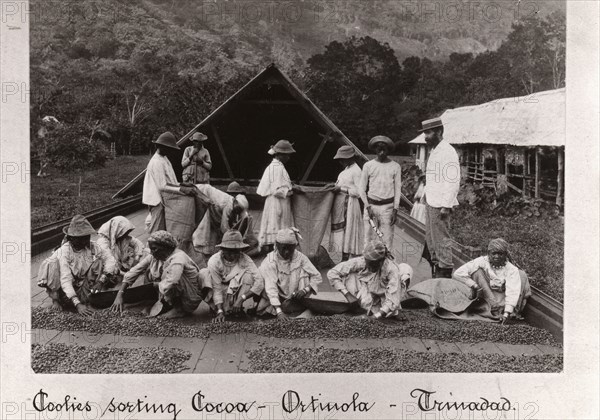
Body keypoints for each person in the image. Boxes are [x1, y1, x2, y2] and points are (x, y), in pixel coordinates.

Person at [110, 231, 206, 319]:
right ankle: (164, 303)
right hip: (169, 292)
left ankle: (180, 309)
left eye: (154, 249)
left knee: (170, 274)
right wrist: (120, 294)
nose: (151, 252)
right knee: (149, 272)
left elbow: (172, 280)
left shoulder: (178, 258)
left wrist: (156, 286)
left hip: (189, 297)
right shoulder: (156, 256)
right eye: (151, 249)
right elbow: (135, 271)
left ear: (165, 246)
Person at [37, 215, 116, 316]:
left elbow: (110, 260)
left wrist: (101, 281)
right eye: (82, 238)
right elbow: (65, 279)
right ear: (72, 238)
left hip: (82, 284)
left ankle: (88, 295)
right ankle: (55, 300)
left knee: (99, 262)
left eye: (87, 237)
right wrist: (77, 304)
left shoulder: (92, 247)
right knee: (52, 263)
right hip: (64, 288)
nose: (86, 241)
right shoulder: (64, 252)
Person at [452, 238, 531, 324]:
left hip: (503, 300)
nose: (496, 257)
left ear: (505, 255)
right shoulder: (482, 261)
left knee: (521, 275)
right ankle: (488, 308)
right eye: (494, 253)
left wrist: (506, 313)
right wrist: (475, 285)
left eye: (500, 254)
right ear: (489, 254)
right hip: (487, 295)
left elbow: (512, 292)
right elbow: (458, 273)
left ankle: (501, 312)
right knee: (477, 272)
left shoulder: (511, 269)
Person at [327, 240, 412, 321]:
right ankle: (371, 307)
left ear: (381, 261)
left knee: (405, 269)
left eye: (372, 264)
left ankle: (394, 310)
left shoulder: (391, 269)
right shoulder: (362, 261)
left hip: (386, 293)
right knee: (348, 275)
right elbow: (332, 273)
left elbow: (392, 298)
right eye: (368, 263)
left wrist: (374, 317)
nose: (369, 267)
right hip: (370, 289)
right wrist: (347, 294)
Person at [419, 117, 460, 278]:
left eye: (428, 133)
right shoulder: (435, 150)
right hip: (431, 201)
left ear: (439, 132)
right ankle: (436, 273)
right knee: (431, 240)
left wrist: (446, 205)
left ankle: (445, 275)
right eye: (425, 133)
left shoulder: (448, 152)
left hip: (440, 204)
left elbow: (452, 180)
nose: (426, 136)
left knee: (442, 241)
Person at [258, 228, 322, 320]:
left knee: (305, 271)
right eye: (283, 248)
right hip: (275, 295)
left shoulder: (300, 257)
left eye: (290, 249)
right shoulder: (270, 261)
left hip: (295, 296)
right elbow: (271, 288)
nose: (287, 252)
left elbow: (317, 276)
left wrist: (305, 290)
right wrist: (279, 312)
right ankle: (278, 308)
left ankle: (295, 305)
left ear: (294, 247)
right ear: (277, 245)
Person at [202, 230, 264, 323]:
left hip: (235, 292)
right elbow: (216, 287)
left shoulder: (245, 259)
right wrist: (220, 311)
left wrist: (241, 298)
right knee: (203, 274)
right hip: (219, 290)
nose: (232, 254)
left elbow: (259, 282)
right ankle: (216, 308)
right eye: (229, 251)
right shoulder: (214, 261)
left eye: (236, 251)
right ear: (222, 249)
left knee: (249, 276)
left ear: (240, 250)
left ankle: (236, 308)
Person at [359, 135, 402, 251]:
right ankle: (368, 265)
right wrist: (367, 206)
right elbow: (361, 189)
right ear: (375, 150)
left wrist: (395, 209)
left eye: (385, 150)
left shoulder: (395, 167)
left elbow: (398, 189)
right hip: (371, 206)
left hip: (387, 208)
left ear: (388, 150)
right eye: (379, 149)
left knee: (387, 240)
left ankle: (386, 266)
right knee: (368, 239)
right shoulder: (368, 166)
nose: (382, 153)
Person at [256, 140, 295, 253]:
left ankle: (276, 250)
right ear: (280, 155)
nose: (288, 157)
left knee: (277, 225)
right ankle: (274, 251)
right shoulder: (276, 168)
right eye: (287, 155)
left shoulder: (278, 167)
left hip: (279, 201)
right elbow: (276, 190)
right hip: (277, 202)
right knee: (276, 225)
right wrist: (290, 190)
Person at [328, 145, 364, 261]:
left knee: (348, 230)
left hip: (350, 204)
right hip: (341, 204)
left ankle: (346, 258)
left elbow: (359, 192)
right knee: (343, 231)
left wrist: (342, 189)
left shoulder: (356, 171)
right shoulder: (346, 170)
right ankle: (343, 258)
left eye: (343, 159)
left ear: (350, 158)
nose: (341, 162)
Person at [95, 216, 146, 288]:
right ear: (118, 230)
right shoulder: (102, 242)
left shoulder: (121, 237)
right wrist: (127, 274)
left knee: (146, 252)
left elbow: (137, 244)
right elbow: (110, 263)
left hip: (121, 266)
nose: (127, 235)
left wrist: (136, 258)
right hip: (108, 270)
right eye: (125, 232)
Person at [143, 131, 179, 233]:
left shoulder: (164, 158)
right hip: (157, 199)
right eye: (168, 148)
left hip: (163, 198)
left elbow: (170, 178)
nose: (170, 151)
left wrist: (179, 185)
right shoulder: (156, 162)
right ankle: (152, 247)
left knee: (163, 227)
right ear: (161, 146)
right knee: (157, 228)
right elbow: (162, 186)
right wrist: (180, 189)